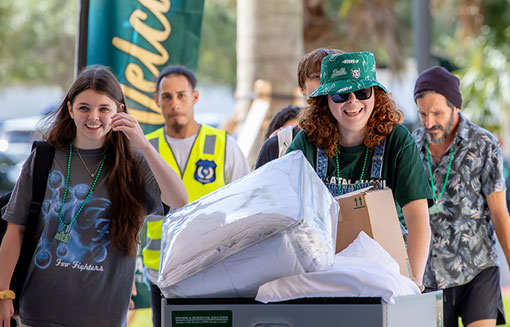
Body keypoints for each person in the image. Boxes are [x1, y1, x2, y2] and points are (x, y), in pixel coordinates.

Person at [0, 65, 188, 327]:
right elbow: (15, 230)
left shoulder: (133, 165)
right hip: (39, 314)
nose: (94, 117)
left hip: (105, 317)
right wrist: (3, 295)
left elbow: (180, 199)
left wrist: (143, 144)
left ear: (119, 111)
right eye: (84, 107)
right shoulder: (44, 158)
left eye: (104, 109)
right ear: (70, 109)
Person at [286, 51, 432, 290]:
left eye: (363, 92)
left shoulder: (397, 141)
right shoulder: (307, 142)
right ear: (325, 100)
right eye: (341, 94)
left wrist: (413, 279)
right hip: (326, 273)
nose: (352, 101)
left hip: (386, 273)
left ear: (376, 94)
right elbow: (285, 209)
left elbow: (417, 218)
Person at [143, 65, 250, 327]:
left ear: (195, 97)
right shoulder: (146, 148)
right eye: (167, 97)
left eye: (181, 95)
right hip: (160, 275)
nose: (175, 103)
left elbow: (246, 205)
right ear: (157, 100)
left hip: (211, 269)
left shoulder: (224, 145)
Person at [412, 66, 510, 327]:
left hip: (477, 268)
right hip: (430, 275)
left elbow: (499, 213)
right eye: (422, 113)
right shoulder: (412, 144)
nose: (429, 122)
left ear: (455, 106)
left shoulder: (484, 144)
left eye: (437, 113)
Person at [255, 48, 342, 169]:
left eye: (334, 76)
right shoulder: (278, 145)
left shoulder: (367, 144)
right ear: (302, 88)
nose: (326, 83)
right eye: (317, 76)